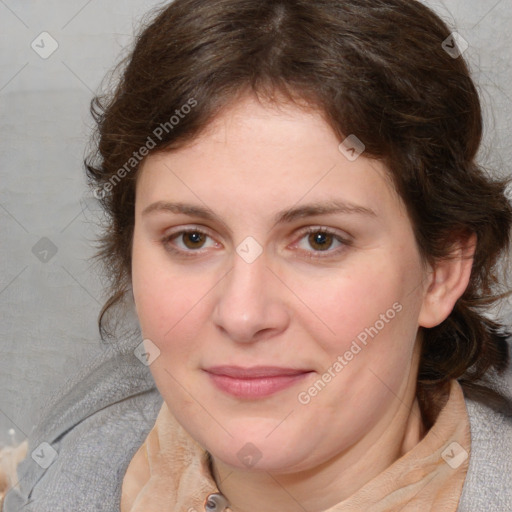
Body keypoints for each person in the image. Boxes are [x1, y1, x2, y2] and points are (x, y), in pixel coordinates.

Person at [2, 0, 512, 510]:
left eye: (319, 240)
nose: (243, 315)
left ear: (441, 271)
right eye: (192, 238)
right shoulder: (60, 461)